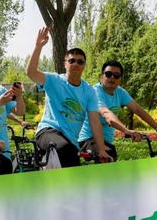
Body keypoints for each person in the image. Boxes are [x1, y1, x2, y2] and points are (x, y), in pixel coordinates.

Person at [26, 27, 111, 167]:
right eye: (72, 61)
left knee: (73, 155)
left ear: (84, 66)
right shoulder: (54, 80)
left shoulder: (89, 91)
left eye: (80, 62)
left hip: (71, 141)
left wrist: (101, 150)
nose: (76, 64)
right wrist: (38, 46)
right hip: (47, 132)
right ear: (65, 64)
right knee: (65, 149)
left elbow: (95, 121)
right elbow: (31, 73)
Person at [78, 60, 157, 160]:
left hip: (106, 142)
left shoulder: (120, 92)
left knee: (110, 156)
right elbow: (106, 113)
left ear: (120, 79)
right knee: (108, 156)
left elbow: (137, 109)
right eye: (108, 74)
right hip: (88, 139)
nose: (112, 77)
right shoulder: (95, 92)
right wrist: (126, 130)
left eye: (116, 75)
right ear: (102, 76)